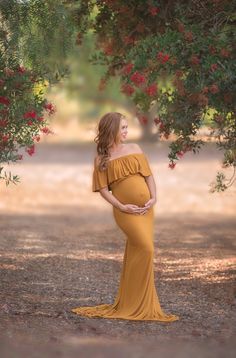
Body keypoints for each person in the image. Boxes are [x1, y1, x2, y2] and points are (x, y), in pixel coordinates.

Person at [71, 112, 180, 322]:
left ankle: (135, 302)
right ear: (111, 130)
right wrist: (122, 206)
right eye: (122, 128)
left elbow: (149, 177)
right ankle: (135, 303)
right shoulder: (102, 159)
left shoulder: (135, 149)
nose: (126, 132)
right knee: (146, 248)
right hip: (125, 212)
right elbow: (103, 190)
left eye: (127, 127)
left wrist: (154, 198)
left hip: (146, 210)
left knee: (139, 250)